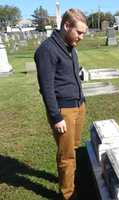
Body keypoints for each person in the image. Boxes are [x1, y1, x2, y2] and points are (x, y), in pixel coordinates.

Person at [34, 8, 87, 200]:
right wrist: (56, 117)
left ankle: (71, 182)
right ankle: (68, 195)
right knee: (66, 155)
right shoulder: (46, 50)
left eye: (83, 33)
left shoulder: (69, 46)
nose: (81, 37)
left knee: (74, 148)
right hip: (63, 111)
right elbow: (46, 88)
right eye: (79, 32)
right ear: (66, 26)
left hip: (78, 106)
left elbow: (70, 74)